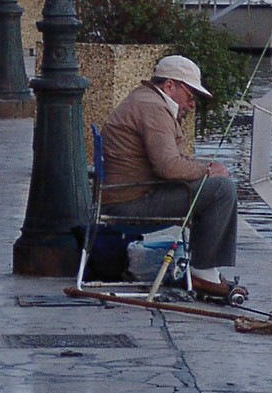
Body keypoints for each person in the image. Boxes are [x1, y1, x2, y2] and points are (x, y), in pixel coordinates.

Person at [99, 54, 247, 301]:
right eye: (191, 95)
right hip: (129, 204)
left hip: (128, 195)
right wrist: (207, 171)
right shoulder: (154, 108)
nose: (192, 104)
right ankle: (203, 273)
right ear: (170, 85)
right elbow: (168, 166)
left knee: (212, 188)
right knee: (222, 189)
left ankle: (204, 270)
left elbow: (169, 163)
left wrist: (200, 171)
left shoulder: (145, 100)